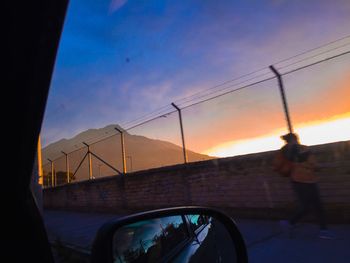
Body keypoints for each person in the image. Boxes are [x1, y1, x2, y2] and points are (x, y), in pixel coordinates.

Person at [273, 132, 333, 239]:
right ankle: (291, 223)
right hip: (303, 181)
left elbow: (311, 162)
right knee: (311, 207)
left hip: (303, 180)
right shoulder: (295, 150)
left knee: (312, 206)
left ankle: (322, 230)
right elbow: (311, 163)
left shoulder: (292, 150)